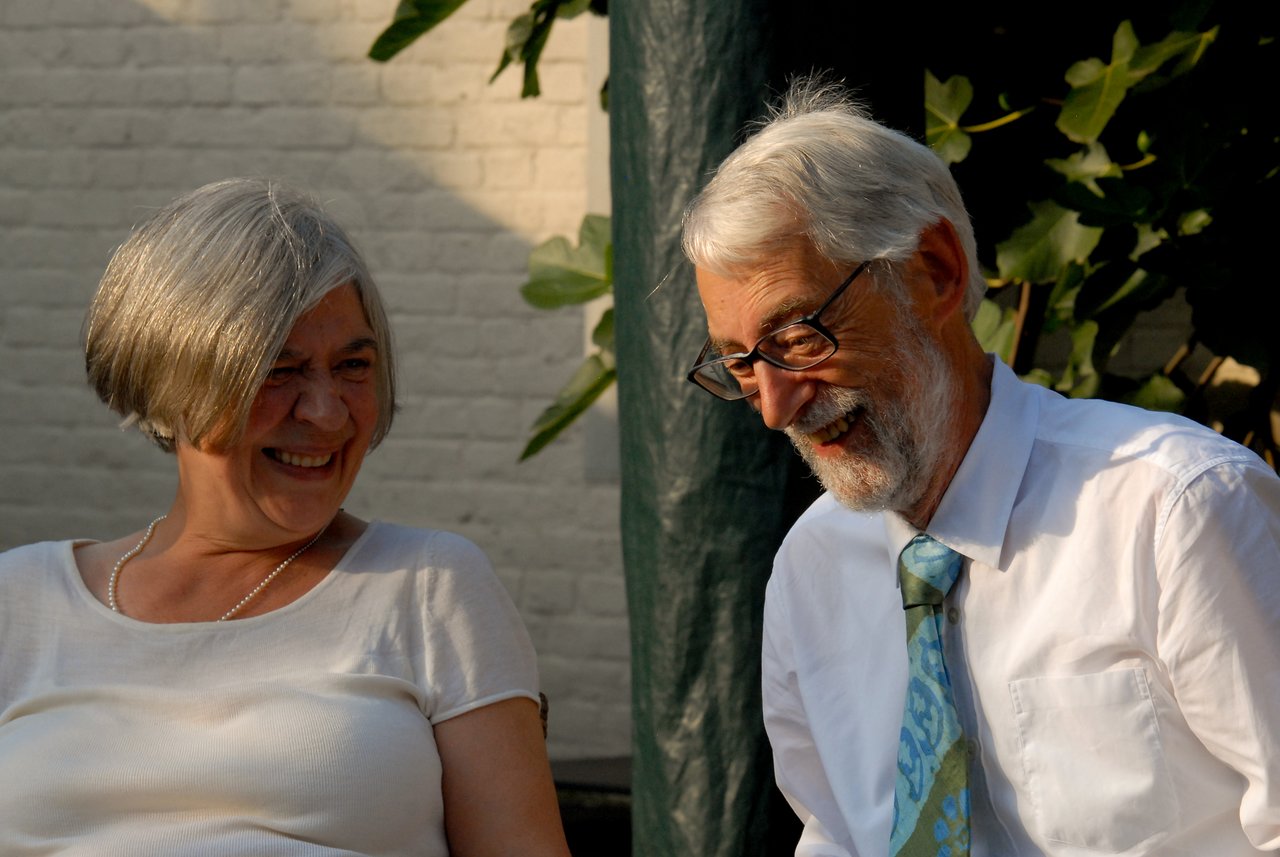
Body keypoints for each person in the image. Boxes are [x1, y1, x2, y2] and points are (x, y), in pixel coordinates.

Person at [681, 77, 1280, 856]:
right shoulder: (812, 568)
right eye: (739, 361)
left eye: (798, 337)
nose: (774, 404)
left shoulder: (1173, 509)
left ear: (935, 270)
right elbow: (834, 836)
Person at [0, 177, 572, 856]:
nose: (327, 412)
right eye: (279, 369)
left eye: (353, 365)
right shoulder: (20, 600)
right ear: (172, 378)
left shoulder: (428, 586)